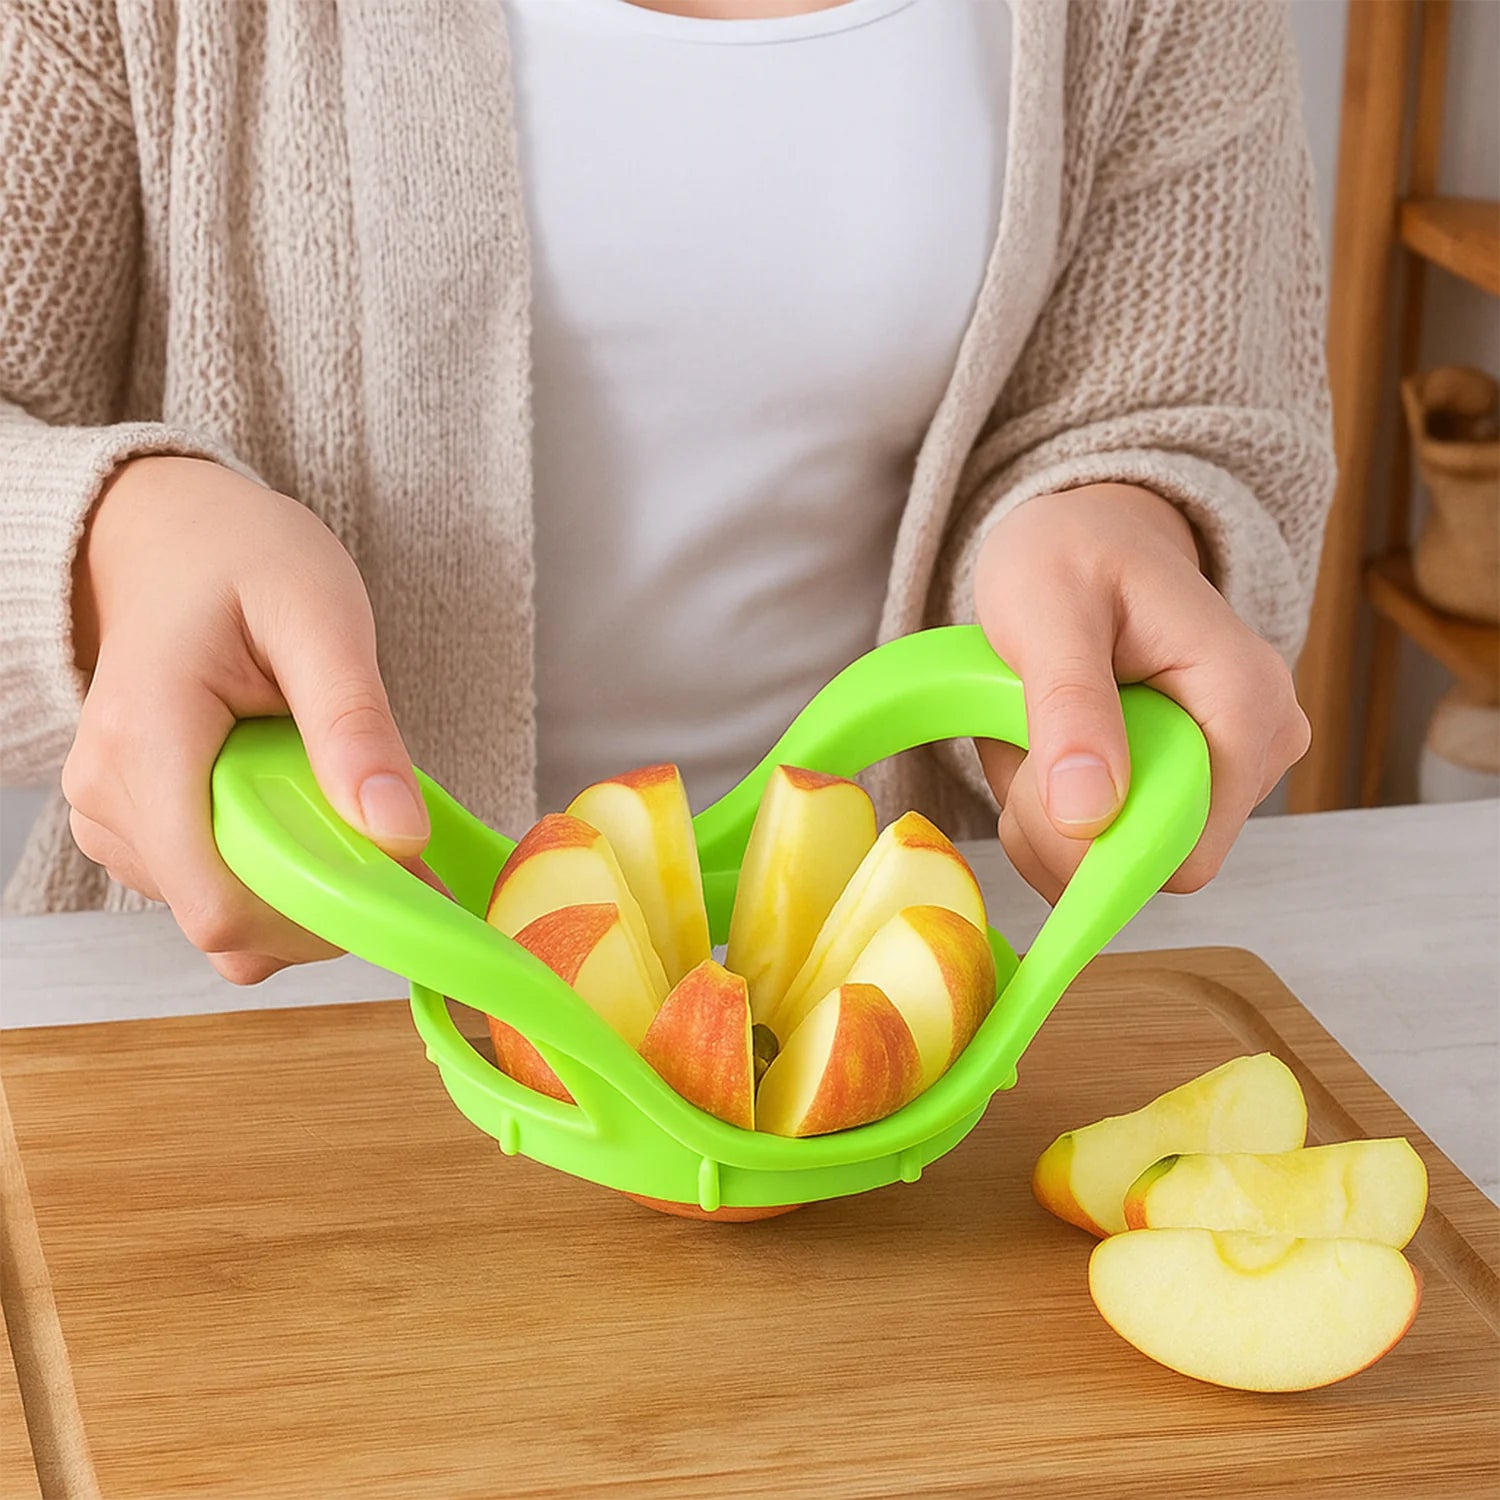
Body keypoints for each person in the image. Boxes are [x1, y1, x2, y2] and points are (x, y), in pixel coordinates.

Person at [0, 0, 1332, 985]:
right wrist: (107, 548)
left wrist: (1127, 523)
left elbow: (1190, 418)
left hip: (868, 1031)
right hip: (241, 1034)